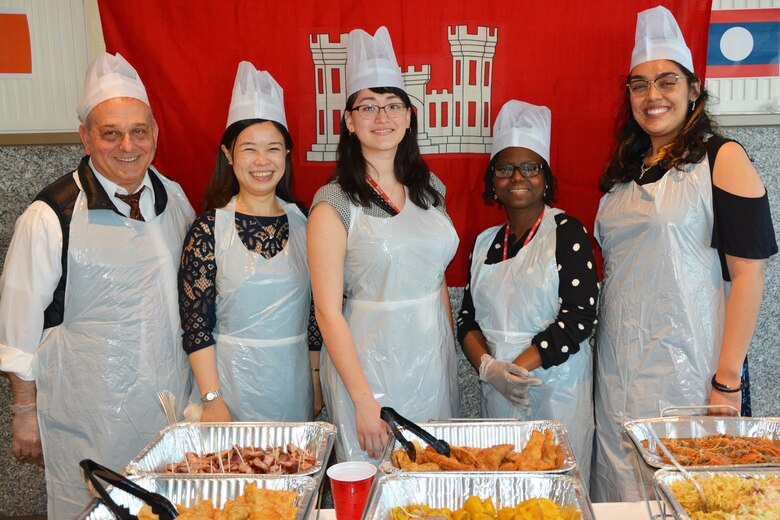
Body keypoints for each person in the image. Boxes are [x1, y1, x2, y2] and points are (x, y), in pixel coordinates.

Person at [592, 6, 777, 502]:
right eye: (639, 84)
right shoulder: (623, 177)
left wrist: (727, 381)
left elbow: (750, 276)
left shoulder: (723, 158)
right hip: (618, 371)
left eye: (667, 81)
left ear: (694, 89)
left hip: (694, 374)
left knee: (694, 496)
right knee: (625, 496)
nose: (653, 96)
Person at [0, 52, 194, 518]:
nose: (127, 145)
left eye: (139, 131)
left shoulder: (175, 198)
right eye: (110, 133)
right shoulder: (51, 215)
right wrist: (24, 414)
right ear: (85, 137)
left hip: (170, 404)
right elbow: (17, 328)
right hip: (87, 412)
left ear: (155, 135)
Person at [308, 26, 460, 462]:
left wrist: (448, 362)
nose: (382, 117)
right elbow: (327, 312)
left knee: (433, 483)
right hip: (369, 368)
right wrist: (363, 400)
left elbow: (437, 280)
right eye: (368, 107)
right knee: (377, 484)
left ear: (410, 116)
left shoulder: (430, 187)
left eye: (393, 105)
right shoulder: (333, 201)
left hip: (431, 361)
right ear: (349, 121)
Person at [457, 100, 598, 483]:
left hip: (556, 388)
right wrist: (490, 369)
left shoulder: (567, 231)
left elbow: (579, 319)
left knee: (556, 488)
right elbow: (466, 320)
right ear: (492, 182)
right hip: (498, 388)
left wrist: (517, 369)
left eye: (530, 167)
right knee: (503, 488)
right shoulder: (485, 241)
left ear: (546, 178)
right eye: (505, 168)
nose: (517, 177)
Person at [178, 62, 322, 422]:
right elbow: (195, 323)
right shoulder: (208, 230)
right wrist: (212, 400)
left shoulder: (308, 223)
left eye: (273, 149)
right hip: (229, 392)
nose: (262, 161)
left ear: (287, 155)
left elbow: (316, 313)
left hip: (294, 387)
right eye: (248, 150)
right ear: (228, 155)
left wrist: (317, 380)